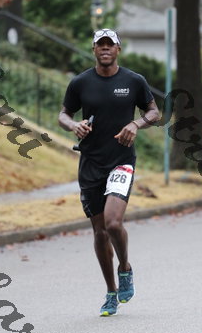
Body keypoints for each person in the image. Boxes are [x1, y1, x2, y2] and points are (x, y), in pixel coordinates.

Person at [58, 28, 160, 316]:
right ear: (93, 49)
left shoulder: (133, 81)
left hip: (121, 161)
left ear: (118, 49)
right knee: (100, 232)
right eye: (100, 45)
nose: (105, 49)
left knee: (113, 223)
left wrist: (136, 124)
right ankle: (111, 292)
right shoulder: (80, 83)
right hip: (91, 163)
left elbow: (154, 112)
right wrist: (73, 125)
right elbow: (63, 114)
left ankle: (125, 268)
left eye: (110, 44)